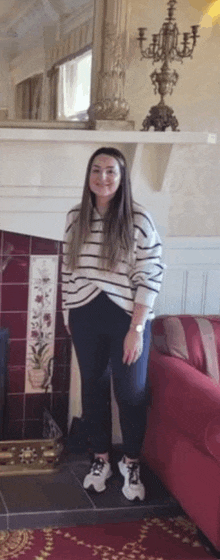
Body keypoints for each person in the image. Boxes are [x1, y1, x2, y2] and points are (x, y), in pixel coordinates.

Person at [61, 146, 164, 501]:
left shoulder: (139, 219)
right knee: (93, 388)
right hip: (85, 313)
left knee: (131, 392)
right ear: (88, 176)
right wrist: (67, 313)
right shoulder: (76, 216)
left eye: (110, 171)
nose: (102, 177)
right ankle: (101, 458)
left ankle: (131, 461)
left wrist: (136, 329)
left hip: (126, 317)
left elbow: (150, 275)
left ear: (121, 179)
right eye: (96, 170)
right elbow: (68, 269)